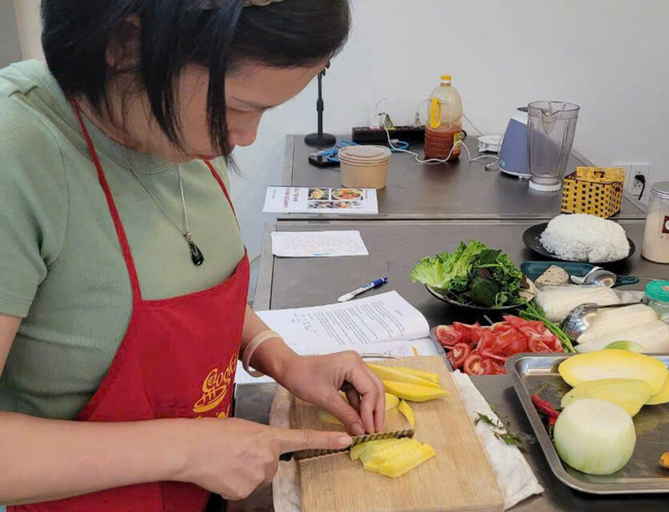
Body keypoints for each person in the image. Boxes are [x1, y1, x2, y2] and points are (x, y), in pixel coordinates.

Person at [0, 0, 386, 510]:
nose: (245, 139)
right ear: (127, 43)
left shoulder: (173, 131)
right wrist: (184, 450)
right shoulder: (19, 153)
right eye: (239, 107)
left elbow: (182, 285)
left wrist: (280, 358)